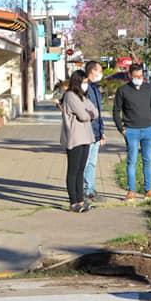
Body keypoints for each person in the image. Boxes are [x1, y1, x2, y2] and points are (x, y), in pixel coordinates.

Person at [113, 63, 151, 201]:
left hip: (148, 130)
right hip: (131, 130)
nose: (139, 78)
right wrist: (121, 128)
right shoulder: (123, 90)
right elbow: (116, 110)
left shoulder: (149, 88)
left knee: (148, 160)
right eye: (136, 76)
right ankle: (131, 191)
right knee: (132, 160)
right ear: (130, 76)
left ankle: (148, 189)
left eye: (141, 76)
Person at [61, 70, 98, 212]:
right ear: (77, 81)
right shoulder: (70, 95)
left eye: (86, 82)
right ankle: (73, 201)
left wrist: (88, 112)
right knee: (73, 170)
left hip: (86, 136)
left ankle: (81, 199)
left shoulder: (82, 96)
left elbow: (95, 111)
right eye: (84, 82)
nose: (86, 84)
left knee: (81, 170)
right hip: (75, 137)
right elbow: (83, 115)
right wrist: (87, 112)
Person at [83, 61, 106, 201]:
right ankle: (82, 191)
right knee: (84, 163)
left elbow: (99, 112)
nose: (101, 74)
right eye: (100, 71)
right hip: (87, 132)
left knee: (92, 163)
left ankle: (90, 189)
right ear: (92, 71)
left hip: (96, 132)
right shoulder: (84, 87)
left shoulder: (95, 88)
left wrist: (102, 131)